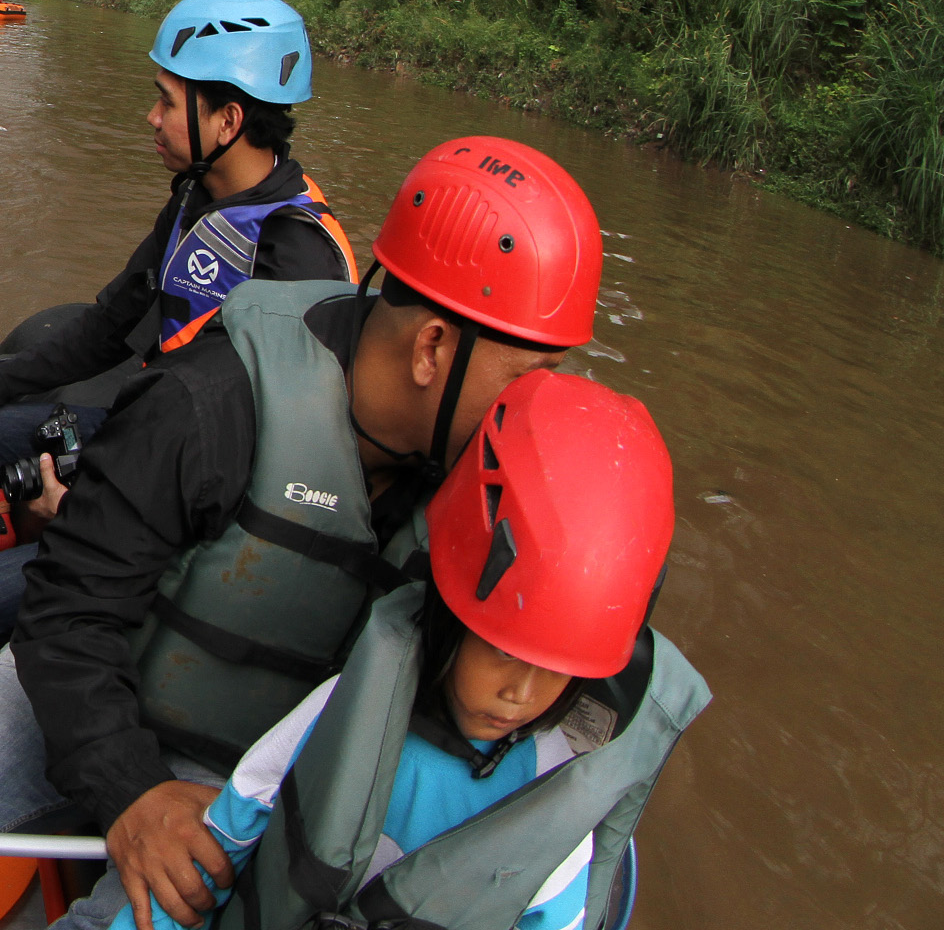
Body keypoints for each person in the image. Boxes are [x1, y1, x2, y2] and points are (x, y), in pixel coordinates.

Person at [0, 135, 606, 930]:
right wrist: (132, 791)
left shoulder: (494, 473)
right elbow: (69, 611)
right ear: (433, 346)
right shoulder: (207, 406)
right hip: (111, 687)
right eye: (528, 371)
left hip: (264, 757)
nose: (538, 404)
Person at [0, 0, 355, 693]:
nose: (151, 117)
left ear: (226, 119)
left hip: (199, 492)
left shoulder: (300, 258)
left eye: (167, 101)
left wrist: (104, 505)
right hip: (147, 425)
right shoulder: (196, 199)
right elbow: (109, 325)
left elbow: (281, 454)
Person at [103, 369, 708, 930]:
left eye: (555, 672)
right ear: (448, 615)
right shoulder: (349, 709)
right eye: (500, 652)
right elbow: (224, 840)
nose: (520, 694)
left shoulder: (564, 791)